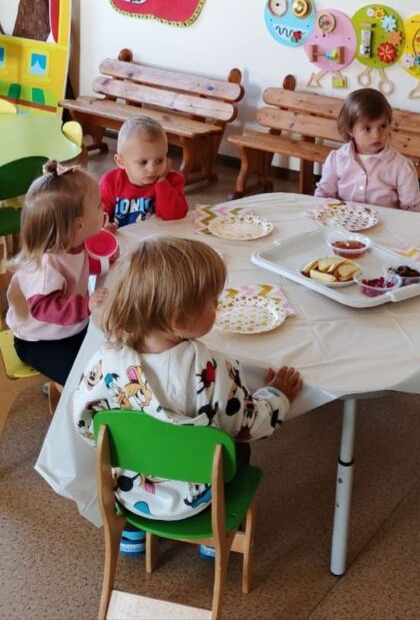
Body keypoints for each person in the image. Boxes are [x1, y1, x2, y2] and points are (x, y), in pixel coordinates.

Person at [72, 236, 303, 557]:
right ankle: (216, 533)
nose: (217, 307)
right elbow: (249, 425)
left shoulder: (105, 359)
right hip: (199, 495)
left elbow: (86, 424)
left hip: (131, 490)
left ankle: (133, 532)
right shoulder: (211, 367)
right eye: (212, 302)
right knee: (237, 447)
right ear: (178, 320)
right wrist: (278, 395)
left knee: (133, 437)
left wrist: (133, 442)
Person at [5, 162, 110, 385]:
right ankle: (66, 396)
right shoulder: (46, 268)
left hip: (69, 327)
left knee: (107, 354)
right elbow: (42, 307)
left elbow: (80, 266)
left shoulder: (73, 241)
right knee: (84, 381)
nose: (104, 209)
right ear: (79, 225)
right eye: (99, 206)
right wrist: (85, 305)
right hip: (39, 341)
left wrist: (105, 257)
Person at [314, 89, 420, 211]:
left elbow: (412, 210)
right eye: (367, 129)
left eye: (382, 126)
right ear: (350, 130)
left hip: (386, 222)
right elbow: (324, 196)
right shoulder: (336, 160)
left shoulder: (402, 167)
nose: (376, 135)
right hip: (343, 221)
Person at [100, 115, 188, 228]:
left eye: (159, 161)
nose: (152, 169)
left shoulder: (171, 181)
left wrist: (162, 182)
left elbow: (175, 216)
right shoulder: (110, 182)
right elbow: (98, 216)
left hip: (158, 237)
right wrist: (105, 226)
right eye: (143, 162)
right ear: (121, 162)